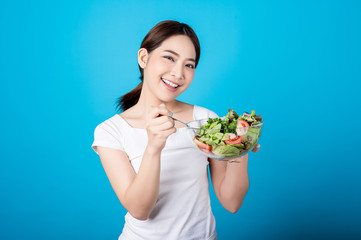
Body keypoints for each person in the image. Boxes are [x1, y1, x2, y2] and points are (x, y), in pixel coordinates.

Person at [91, 20, 260, 240]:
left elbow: (232, 202)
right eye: (169, 58)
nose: (178, 73)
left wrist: (241, 147)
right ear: (144, 58)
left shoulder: (205, 120)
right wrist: (153, 147)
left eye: (189, 65)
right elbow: (139, 210)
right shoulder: (110, 131)